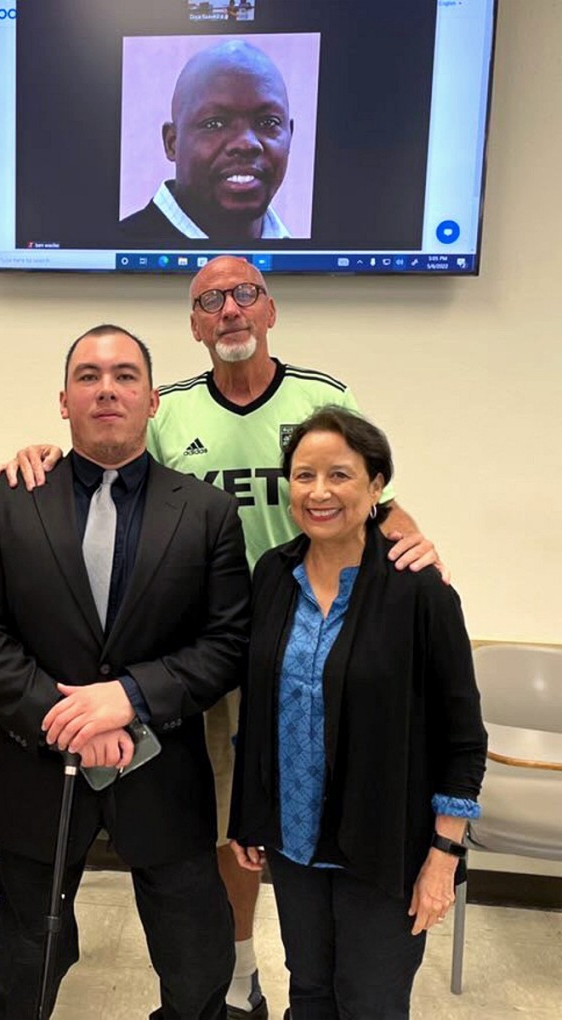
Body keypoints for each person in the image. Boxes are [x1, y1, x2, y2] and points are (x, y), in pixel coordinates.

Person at [0, 255, 443, 1019]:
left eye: (245, 295)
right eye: (210, 301)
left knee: (309, 812)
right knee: (226, 822)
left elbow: (373, 491)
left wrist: (415, 542)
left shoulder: (321, 396)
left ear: (269, 309)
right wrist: (41, 451)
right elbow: (110, 465)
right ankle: (240, 972)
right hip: (204, 648)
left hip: (311, 642)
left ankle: (335, 965)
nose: (230, 311)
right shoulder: (168, 408)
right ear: (194, 325)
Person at [0, 325, 250, 1019]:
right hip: (38, 765)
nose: (106, 388)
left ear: (151, 402)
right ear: (64, 400)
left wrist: (130, 698)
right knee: (25, 955)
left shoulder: (206, 514)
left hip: (162, 767)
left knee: (197, 954)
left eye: (124, 376)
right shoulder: (7, 498)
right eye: (88, 376)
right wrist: (69, 723)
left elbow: (227, 640)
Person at [228, 406, 486, 1019]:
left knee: (369, 1003)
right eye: (304, 475)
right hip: (293, 843)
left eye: (340, 476)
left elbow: (463, 736)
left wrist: (443, 859)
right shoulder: (272, 575)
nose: (319, 492)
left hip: (384, 848)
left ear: (376, 488)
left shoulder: (419, 590)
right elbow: (259, 707)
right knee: (310, 993)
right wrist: (250, 813)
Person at [120, 41, 293, 244]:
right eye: (214, 123)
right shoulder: (122, 244)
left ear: (290, 135)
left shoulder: (303, 261)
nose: (246, 144)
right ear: (172, 143)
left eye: (267, 122)